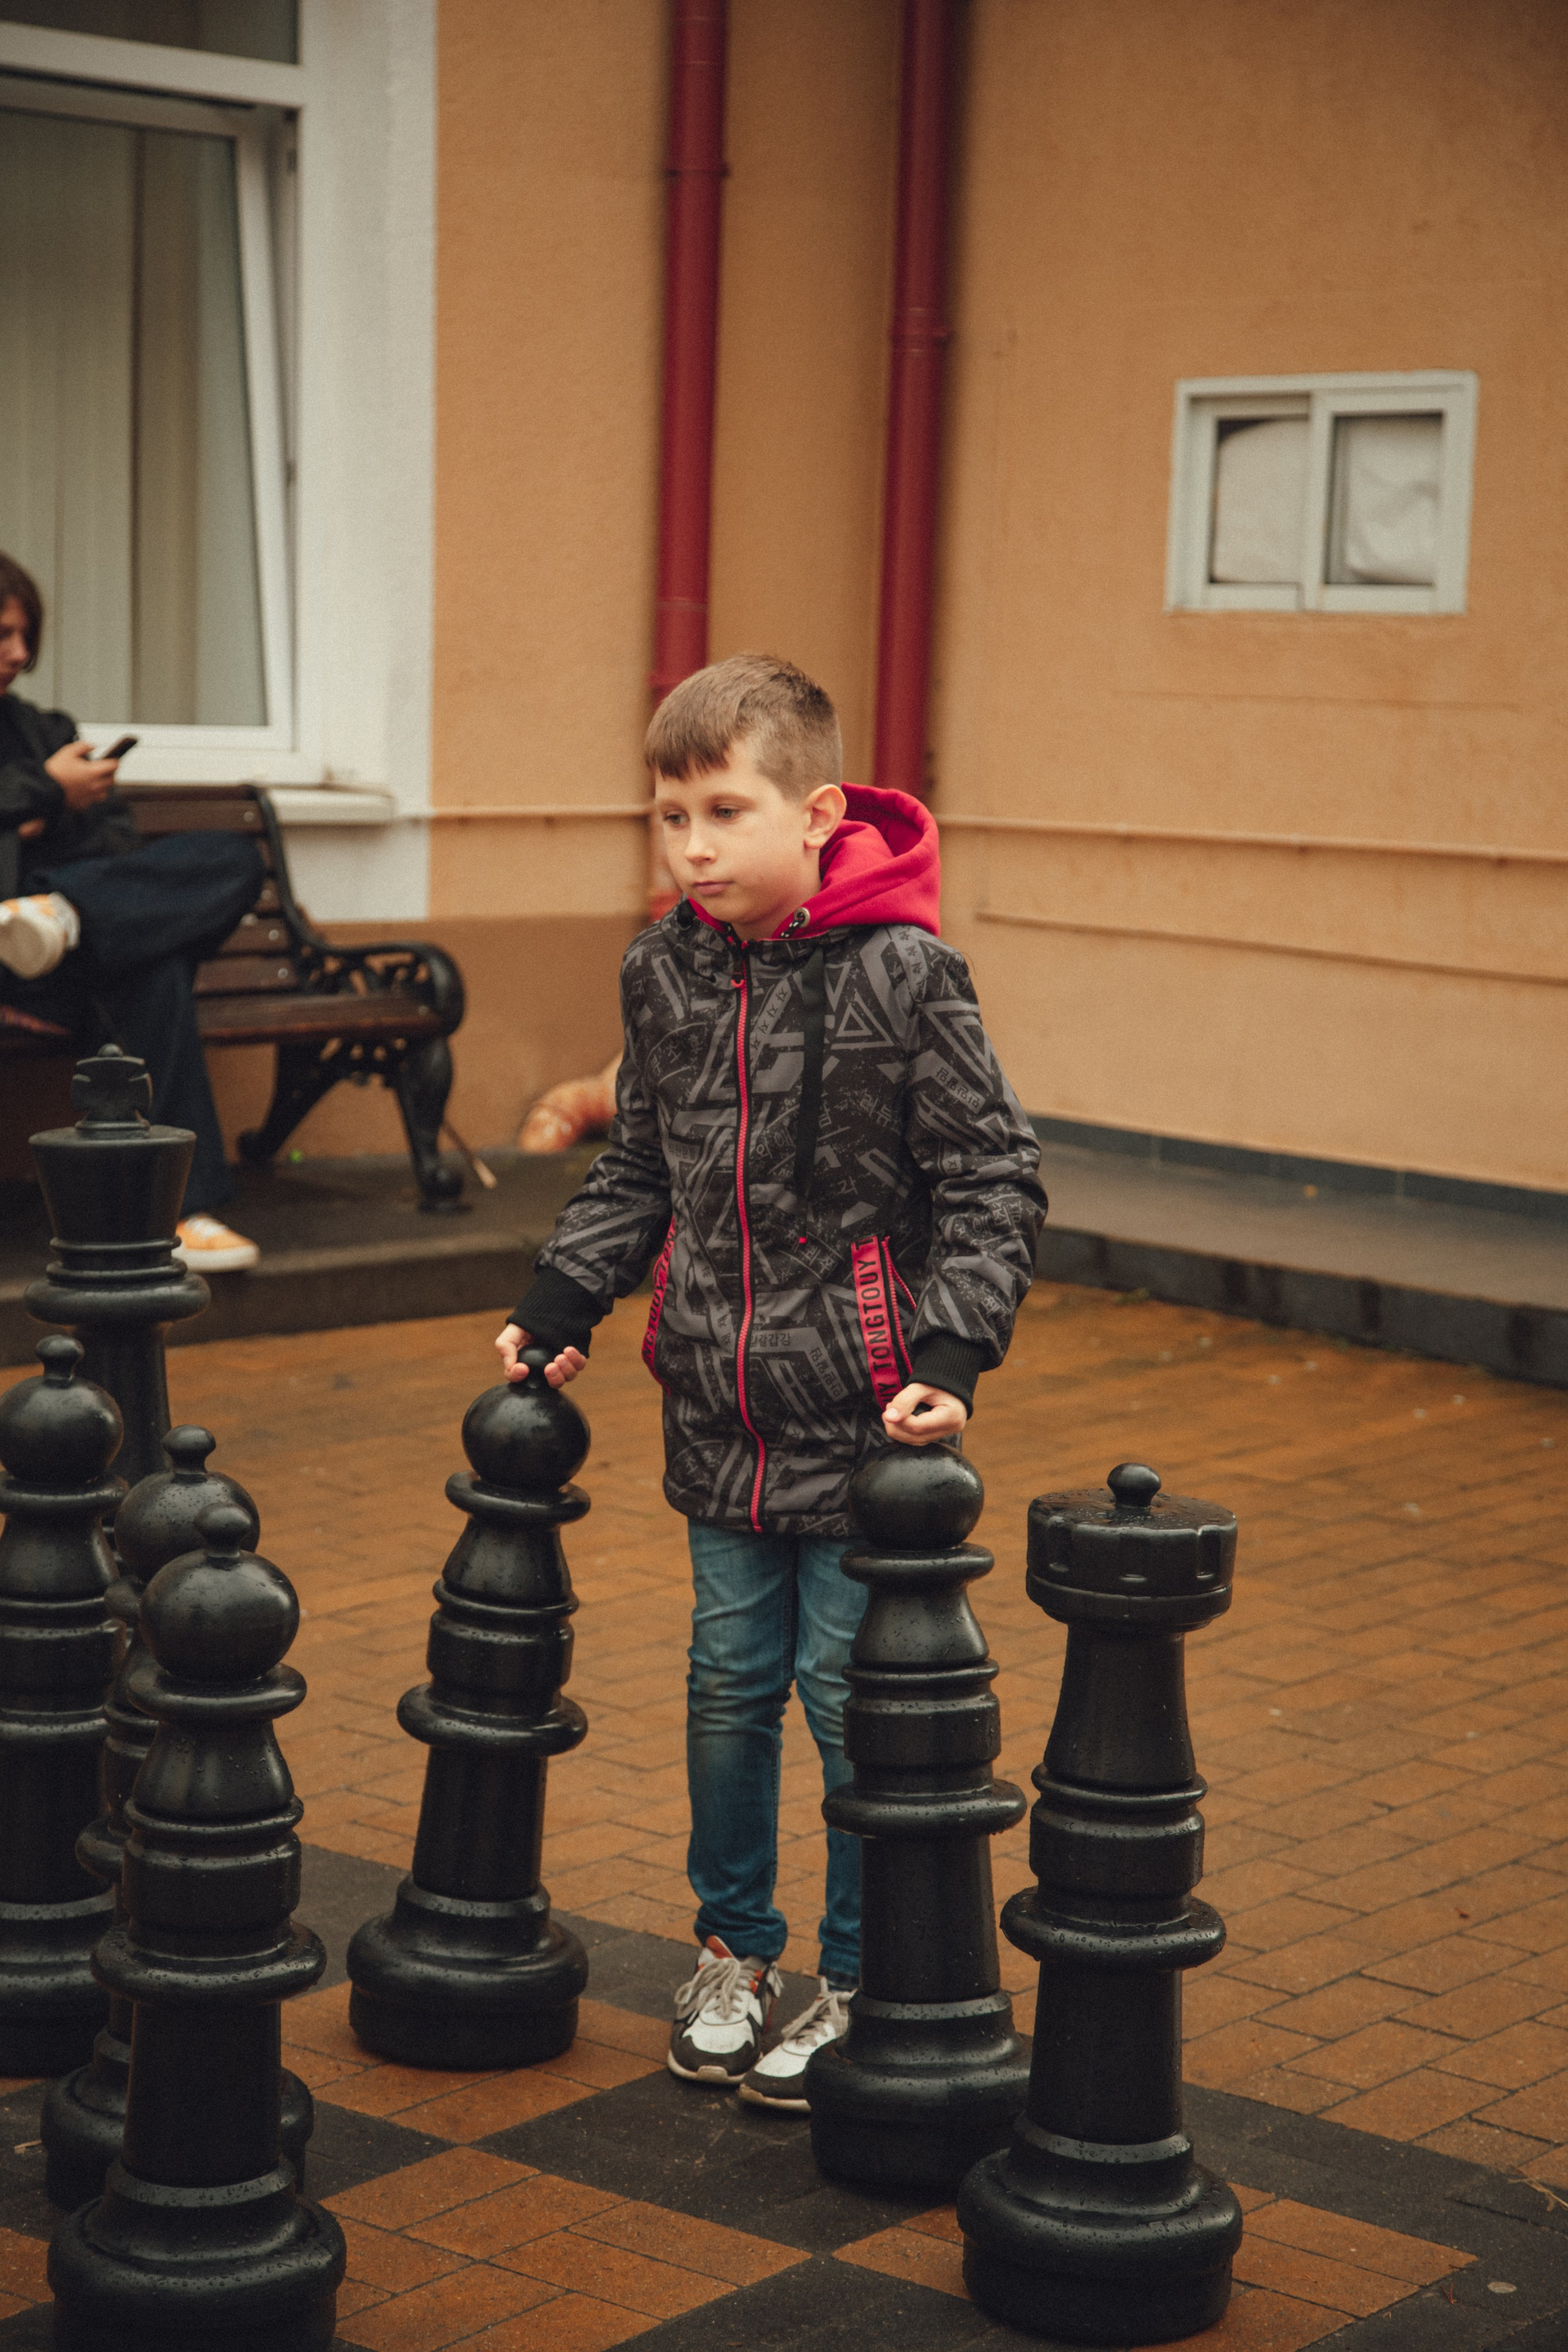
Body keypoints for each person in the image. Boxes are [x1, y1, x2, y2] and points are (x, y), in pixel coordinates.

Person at [494, 653, 1047, 2111]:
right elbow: (640, 1162)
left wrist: (946, 1352)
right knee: (725, 1687)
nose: (690, 844)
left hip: (865, 1420)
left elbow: (991, 1175)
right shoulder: (662, 964)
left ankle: (856, 1977)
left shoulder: (904, 972)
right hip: (715, 1410)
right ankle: (733, 1947)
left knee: (843, 1699)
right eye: (668, 811)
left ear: (812, 812)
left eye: (721, 808)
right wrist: (564, 1294)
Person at [0, 552, 264, 1270]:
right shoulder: (45, 759)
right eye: (2, 636)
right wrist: (46, 796)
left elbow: (115, 841)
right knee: (155, 961)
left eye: (26, 636)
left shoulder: (42, 729)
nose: (20, 654)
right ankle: (184, 1209)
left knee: (233, 861)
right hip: (6, 964)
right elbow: (58, 814)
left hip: (68, 955)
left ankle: (66, 916)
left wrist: (55, 834)